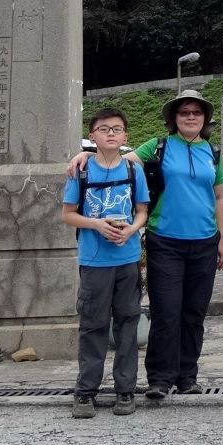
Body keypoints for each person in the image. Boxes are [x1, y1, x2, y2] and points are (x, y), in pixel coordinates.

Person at [73, 91, 223, 401]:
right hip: (165, 240)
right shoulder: (158, 146)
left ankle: (187, 376)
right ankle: (160, 377)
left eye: (196, 112)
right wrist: (87, 156)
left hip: (204, 241)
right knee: (166, 312)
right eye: (184, 112)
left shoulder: (212, 152)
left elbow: (221, 196)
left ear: (205, 119)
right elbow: (116, 161)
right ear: (173, 118)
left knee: (194, 313)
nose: (190, 117)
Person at [61, 106, 149, 418]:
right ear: (92, 136)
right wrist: (97, 225)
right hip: (94, 261)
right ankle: (85, 392)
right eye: (103, 129)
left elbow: (142, 211)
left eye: (116, 129)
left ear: (125, 136)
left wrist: (132, 230)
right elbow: (67, 214)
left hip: (127, 259)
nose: (110, 134)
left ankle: (125, 390)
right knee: (93, 326)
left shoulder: (133, 171)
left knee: (127, 325)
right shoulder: (81, 171)